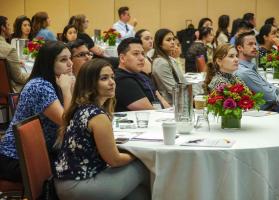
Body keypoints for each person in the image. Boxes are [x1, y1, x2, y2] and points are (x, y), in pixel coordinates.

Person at [53, 58, 150, 200]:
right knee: (144, 167)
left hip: (67, 180)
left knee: (137, 192)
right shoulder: (97, 116)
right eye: (104, 78)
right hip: (78, 186)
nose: (112, 82)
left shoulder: (82, 107)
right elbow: (114, 160)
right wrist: (139, 154)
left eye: (112, 77)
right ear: (90, 84)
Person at [0, 41, 74, 182]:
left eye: (70, 58)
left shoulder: (57, 81)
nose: (70, 63)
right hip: (17, 159)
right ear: (48, 63)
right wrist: (67, 90)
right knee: (78, 170)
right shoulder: (39, 86)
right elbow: (68, 122)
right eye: (63, 60)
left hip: (43, 152)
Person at [235, 31, 279, 115]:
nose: (255, 47)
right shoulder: (245, 71)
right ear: (240, 48)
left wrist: (270, 88)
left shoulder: (250, 66)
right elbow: (272, 96)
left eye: (255, 44)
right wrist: (273, 89)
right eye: (250, 44)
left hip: (276, 106)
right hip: (271, 111)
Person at [115, 37, 169, 112]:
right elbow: (150, 111)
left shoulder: (143, 75)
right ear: (122, 58)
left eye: (142, 54)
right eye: (136, 54)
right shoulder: (122, 80)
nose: (141, 58)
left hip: (160, 116)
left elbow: (161, 99)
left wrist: (171, 113)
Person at [152, 29, 185, 104]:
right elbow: (173, 89)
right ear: (160, 44)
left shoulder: (169, 59)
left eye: (173, 39)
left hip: (179, 100)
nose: (173, 42)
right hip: (170, 104)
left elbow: (182, 81)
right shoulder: (161, 62)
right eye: (168, 40)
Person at [0, 16, 29, 92]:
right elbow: (19, 78)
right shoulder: (10, 49)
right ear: (3, 27)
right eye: (8, 25)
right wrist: (36, 74)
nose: (10, 28)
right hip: (11, 92)